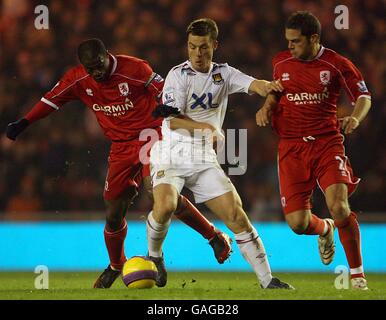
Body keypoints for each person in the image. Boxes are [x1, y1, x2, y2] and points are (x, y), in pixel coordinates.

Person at [5, 38, 232, 288]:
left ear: (107, 55)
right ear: (83, 65)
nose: (96, 72)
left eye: (99, 65)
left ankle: (211, 237)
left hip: (151, 135)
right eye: (90, 68)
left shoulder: (135, 69)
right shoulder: (77, 78)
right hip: (120, 147)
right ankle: (116, 265)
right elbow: (50, 101)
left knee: (159, 194)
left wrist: (172, 112)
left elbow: (166, 92)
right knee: (113, 213)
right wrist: (23, 123)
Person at [146, 18, 293, 289]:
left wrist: (269, 87)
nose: (197, 53)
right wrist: (205, 127)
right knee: (166, 205)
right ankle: (154, 257)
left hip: (203, 159)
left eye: (203, 47)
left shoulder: (223, 74)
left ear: (215, 45)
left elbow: (254, 84)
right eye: (192, 47)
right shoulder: (177, 75)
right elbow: (170, 121)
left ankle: (267, 280)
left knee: (237, 216)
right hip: (172, 153)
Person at [255, 11, 371, 290]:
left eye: (295, 41)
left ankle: (357, 276)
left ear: (314, 38)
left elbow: (364, 96)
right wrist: (267, 106)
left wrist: (355, 117)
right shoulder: (280, 61)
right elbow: (276, 90)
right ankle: (325, 228)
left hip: (326, 144)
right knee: (297, 223)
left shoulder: (337, 64)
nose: (290, 46)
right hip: (291, 148)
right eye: (288, 41)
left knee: (340, 206)